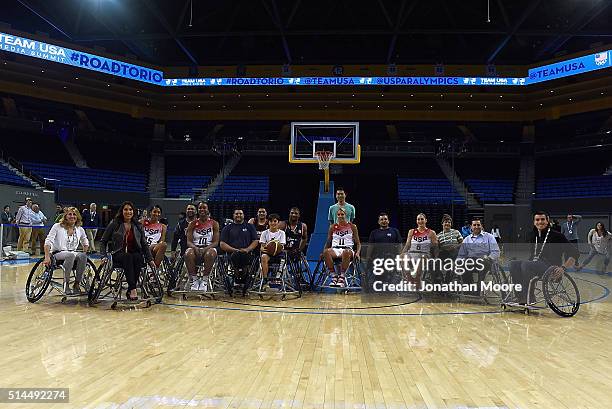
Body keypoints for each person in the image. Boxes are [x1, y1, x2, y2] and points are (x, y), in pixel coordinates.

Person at [509, 211, 578, 304]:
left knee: (526, 265)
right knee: (513, 264)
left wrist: (563, 268)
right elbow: (534, 255)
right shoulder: (533, 236)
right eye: (537, 220)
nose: (540, 222)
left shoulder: (557, 236)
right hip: (535, 264)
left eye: (542, 219)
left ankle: (529, 297)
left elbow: (575, 253)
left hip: (551, 267)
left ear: (547, 221)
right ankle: (520, 296)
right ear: (534, 222)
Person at [100, 201, 155, 301]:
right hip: (118, 254)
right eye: (126, 209)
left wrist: (150, 259)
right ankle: (133, 288)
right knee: (128, 256)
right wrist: (103, 256)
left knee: (138, 257)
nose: (128, 212)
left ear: (133, 212)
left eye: (130, 210)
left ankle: (130, 288)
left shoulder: (138, 225)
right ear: (122, 211)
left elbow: (144, 244)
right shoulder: (114, 223)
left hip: (134, 254)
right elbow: (103, 241)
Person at [43, 207, 89, 295]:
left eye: (74, 214)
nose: (72, 216)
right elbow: (48, 241)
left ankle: (76, 284)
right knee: (70, 255)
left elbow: (85, 241)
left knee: (83, 256)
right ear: (65, 216)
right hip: (57, 253)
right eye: (70, 214)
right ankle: (66, 284)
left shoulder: (80, 229)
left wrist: (85, 250)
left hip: (72, 252)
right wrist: (47, 256)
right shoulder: (57, 226)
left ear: (77, 217)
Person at [322, 208, 361, 288]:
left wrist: (357, 253)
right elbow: (328, 242)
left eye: (342, 214)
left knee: (346, 252)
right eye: (338, 214)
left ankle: (342, 277)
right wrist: (323, 252)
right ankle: (334, 276)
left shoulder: (352, 226)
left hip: (348, 250)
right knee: (326, 252)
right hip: (335, 249)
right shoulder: (332, 227)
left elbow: (358, 243)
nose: (340, 216)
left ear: (346, 215)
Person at [185, 202, 220, 291]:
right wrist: (195, 248)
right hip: (195, 247)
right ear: (197, 210)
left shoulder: (214, 223)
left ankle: (205, 279)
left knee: (210, 253)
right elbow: (189, 241)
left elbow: (216, 242)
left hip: (209, 247)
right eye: (200, 208)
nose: (202, 209)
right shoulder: (192, 223)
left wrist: (205, 248)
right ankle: (194, 279)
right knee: (188, 253)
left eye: (204, 208)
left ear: (208, 210)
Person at [457, 218, 500, 286]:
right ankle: (469, 288)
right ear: (471, 227)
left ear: (481, 226)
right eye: (474, 225)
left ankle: (478, 288)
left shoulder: (489, 237)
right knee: (462, 264)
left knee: (483, 263)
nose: (476, 227)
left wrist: (489, 258)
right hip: (470, 262)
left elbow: (495, 251)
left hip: (484, 260)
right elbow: (461, 255)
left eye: (478, 225)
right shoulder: (466, 239)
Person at [220, 208, 259, 277]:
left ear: (243, 215)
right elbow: (222, 244)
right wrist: (235, 250)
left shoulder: (250, 226)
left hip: (247, 252)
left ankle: (244, 273)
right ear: (233, 215)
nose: (238, 215)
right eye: (236, 214)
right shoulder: (227, 228)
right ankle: (236, 274)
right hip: (231, 253)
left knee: (243, 255)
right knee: (236, 255)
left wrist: (247, 249)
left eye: (240, 214)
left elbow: (255, 241)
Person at [400, 213, 439, 282]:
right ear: (416, 221)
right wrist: (402, 254)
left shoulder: (431, 232)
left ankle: (418, 278)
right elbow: (407, 245)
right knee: (402, 256)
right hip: (412, 254)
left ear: (426, 220)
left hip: (424, 254)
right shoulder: (411, 231)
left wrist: (436, 258)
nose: (420, 221)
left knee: (422, 258)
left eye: (422, 219)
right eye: (418, 219)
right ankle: (409, 278)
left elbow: (436, 247)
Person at [259, 213, 286, 280]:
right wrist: (262, 249)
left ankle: (278, 276)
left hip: (279, 254)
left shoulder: (282, 233)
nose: (273, 223)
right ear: (268, 222)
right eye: (271, 221)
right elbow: (262, 246)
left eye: (275, 221)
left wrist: (274, 246)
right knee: (263, 256)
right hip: (268, 254)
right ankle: (265, 279)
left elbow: (281, 246)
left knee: (283, 257)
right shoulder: (264, 233)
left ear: (278, 222)